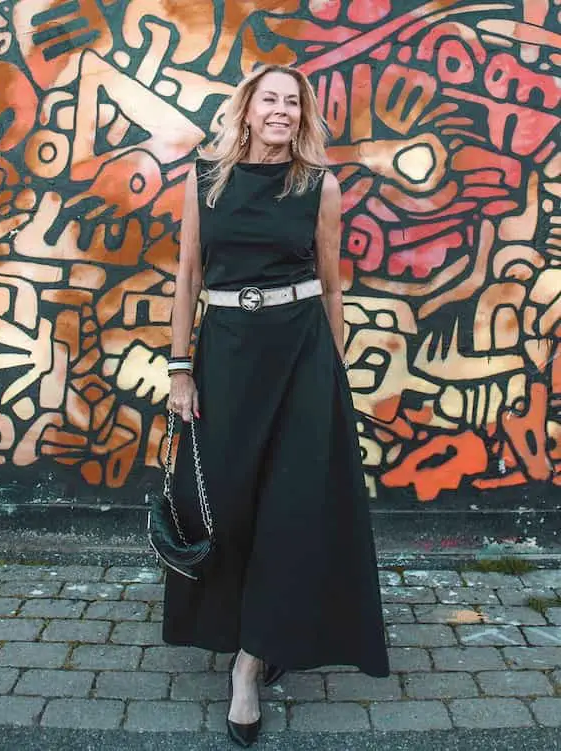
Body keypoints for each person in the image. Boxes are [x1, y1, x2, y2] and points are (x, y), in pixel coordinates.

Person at [163, 63, 389, 747]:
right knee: (225, 504)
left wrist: (335, 370)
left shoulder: (321, 185)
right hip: (225, 356)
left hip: (301, 358)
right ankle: (241, 628)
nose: (282, 111)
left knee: (288, 506)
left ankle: (249, 664)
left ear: (303, 115)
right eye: (271, 99)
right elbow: (186, 277)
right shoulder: (205, 182)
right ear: (249, 108)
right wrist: (179, 368)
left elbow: (331, 285)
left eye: (293, 102)